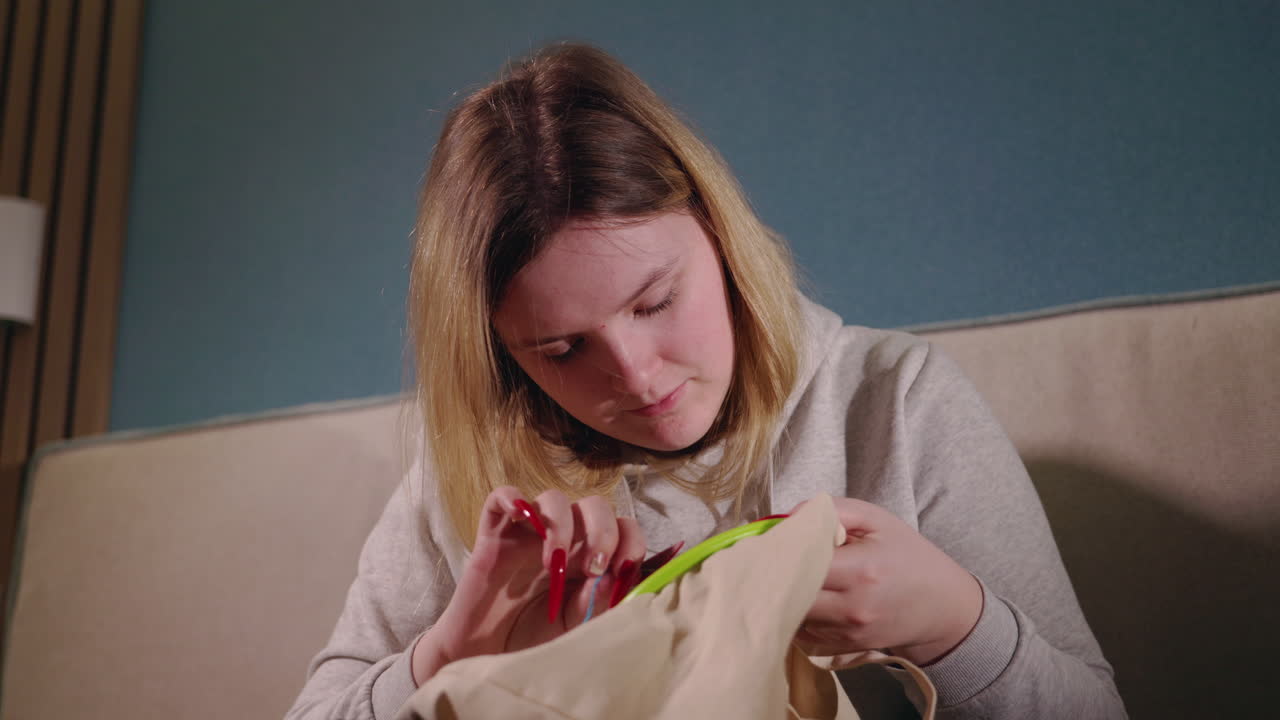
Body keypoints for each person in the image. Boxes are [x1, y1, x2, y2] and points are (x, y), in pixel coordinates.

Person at [287, 44, 1126, 719]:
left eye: (656, 300)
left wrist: (956, 623)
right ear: (502, 353)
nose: (637, 375)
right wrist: (452, 651)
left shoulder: (893, 404)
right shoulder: (467, 488)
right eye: (562, 349)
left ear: (719, 235)